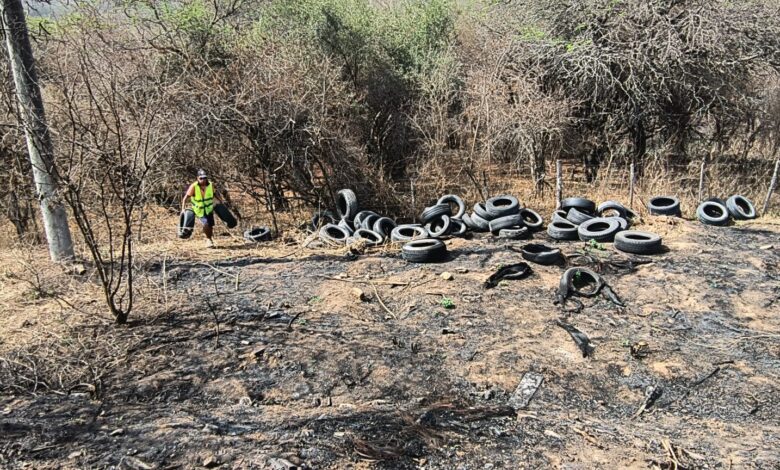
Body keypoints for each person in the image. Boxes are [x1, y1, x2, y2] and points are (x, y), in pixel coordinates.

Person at [182, 169, 222, 248]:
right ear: (197, 178)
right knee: (206, 223)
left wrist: (221, 201)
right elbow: (186, 197)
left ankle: (210, 239)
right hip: (199, 210)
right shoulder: (194, 186)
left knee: (210, 225)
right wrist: (183, 209)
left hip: (209, 209)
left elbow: (214, 194)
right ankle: (208, 240)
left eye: (204, 178)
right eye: (201, 178)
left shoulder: (211, 185)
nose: (203, 180)